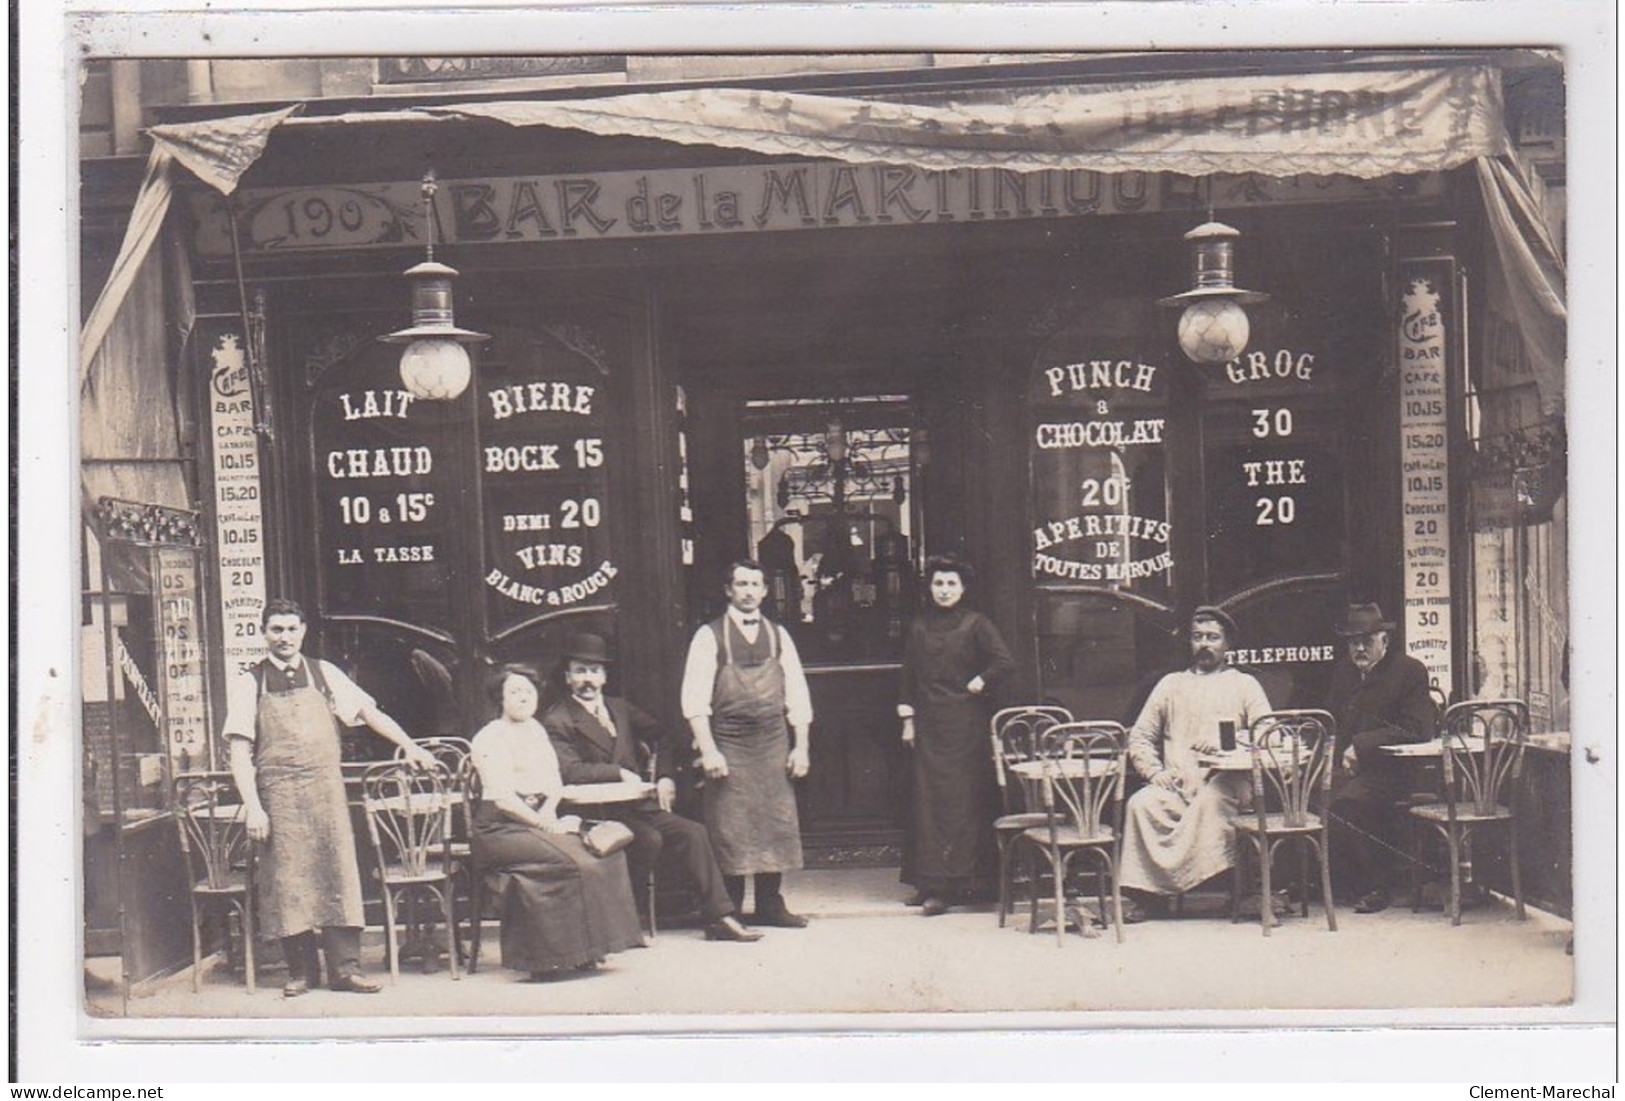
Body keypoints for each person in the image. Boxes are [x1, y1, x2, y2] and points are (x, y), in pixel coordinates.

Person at [223, 597, 438, 998]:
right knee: (289, 881)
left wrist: (410, 745)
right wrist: (253, 807)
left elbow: (370, 713)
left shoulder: (325, 674)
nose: (284, 637)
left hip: (326, 791)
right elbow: (239, 751)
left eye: (291, 629)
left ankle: (345, 970)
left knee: (336, 872)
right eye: (276, 629)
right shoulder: (249, 683)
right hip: (278, 798)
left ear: (303, 631)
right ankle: (301, 971)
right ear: (263, 633)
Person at [542, 633, 762, 943]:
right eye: (580, 671)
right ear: (568, 677)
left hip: (637, 805)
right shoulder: (559, 719)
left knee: (693, 832)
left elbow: (663, 735)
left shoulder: (618, 708)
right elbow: (569, 770)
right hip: (597, 812)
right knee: (648, 839)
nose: (587, 679)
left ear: (604, 676)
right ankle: (622, 923)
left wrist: (665, 776)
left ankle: (720, 917)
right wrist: (617, 771)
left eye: (594, 671)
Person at [469, 664, 645, 980]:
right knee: (575, 861)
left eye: (528, 691)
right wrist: (543, 824)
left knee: (602, 854)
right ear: (500, 699)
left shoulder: (536, 729)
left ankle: (591, 951)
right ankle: (551, 958)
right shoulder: (489, 737)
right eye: (515, 692)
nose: (523, 697)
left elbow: (553, 781)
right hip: (499, 828)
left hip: (537, 820)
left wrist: (550, 813)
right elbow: (503, 799)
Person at [1118, 606, 1273, 921]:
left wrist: (1226, 743)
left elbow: (1269, 733)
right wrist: (1154, 772)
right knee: (1142, 803)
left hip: (1228, 786)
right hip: (1178, 786)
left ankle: (1242, 893)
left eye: (1213, 637)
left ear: (1227, 645)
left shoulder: (1244, 685)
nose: (1205, 644)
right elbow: (1140, 736)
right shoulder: (1170, 685)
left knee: (1212, 801)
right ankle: (1150, 897)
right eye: (1198, 637)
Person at [680, 559, 813, 927]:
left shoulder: (778, 635)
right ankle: (731, 908)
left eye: (756, 584)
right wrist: (708, 750)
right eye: (741, 584)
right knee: (730, 825)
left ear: (766, 591)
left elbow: (798, 695)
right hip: (728, 742)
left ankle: (771, 905)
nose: (749, 592)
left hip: (773, 739)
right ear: (729, 590)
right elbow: (694, 701)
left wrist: (800, 746)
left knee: (776, 821)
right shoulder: (708, 636)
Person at [896, 555, 1017, 916]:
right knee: (927, 803)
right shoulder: (919, 626)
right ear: (929, 588)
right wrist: (908, 720)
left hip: (965, 728)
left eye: (951, 584)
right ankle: (928, 882)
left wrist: (980, 681)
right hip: (929, 727)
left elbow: (1004, 662)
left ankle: (957, 886)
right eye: (938, 583)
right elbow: (908, 677)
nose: (944, 590)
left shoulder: (976, 624)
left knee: (960, 805)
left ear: (962, 588)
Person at [1324, 603, 1438, 914]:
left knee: (1348, 803)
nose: (1359, 648)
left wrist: (1360, 746)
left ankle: (1376, 887)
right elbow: (1332, 720)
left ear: (1384, 641)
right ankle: (1323, 885)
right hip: (1351, 770)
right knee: (1307, 797)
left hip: (1394, 771)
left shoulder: (1409, 671)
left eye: (1367, 641)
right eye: (1353, 642)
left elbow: (1418, 728)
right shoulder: (1344, 673)